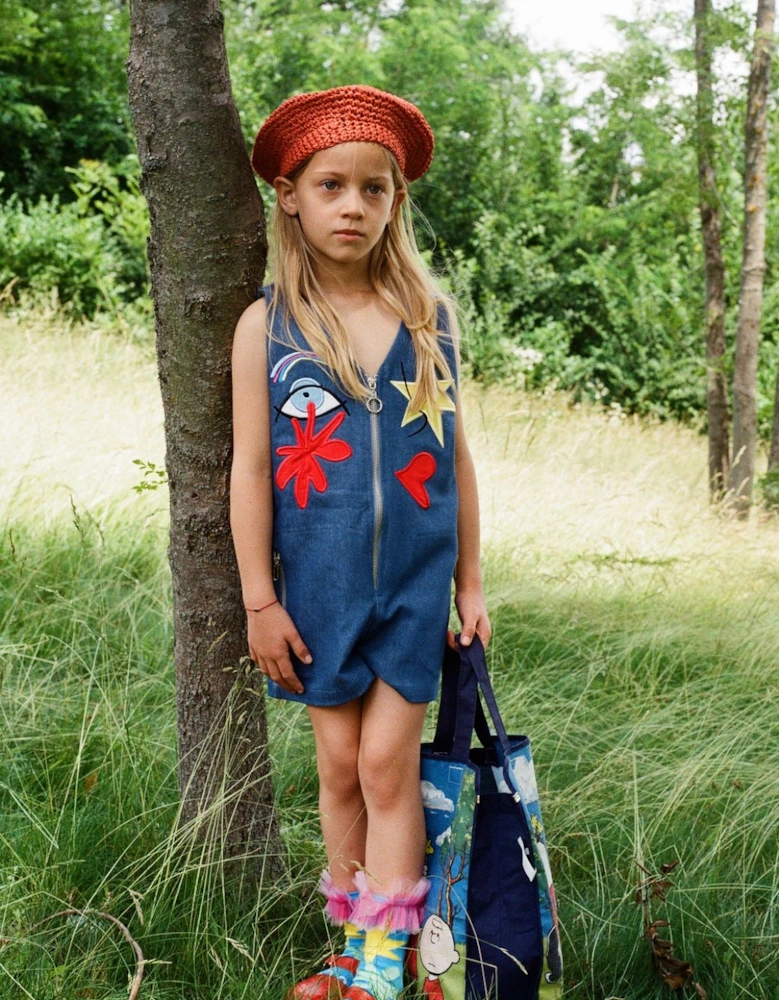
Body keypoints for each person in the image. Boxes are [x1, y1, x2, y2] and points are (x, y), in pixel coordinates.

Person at [230, 85, 491, 1000]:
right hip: (319, 590)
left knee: (387, 764)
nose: (353, 205)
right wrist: (260, 601)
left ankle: (389, 963)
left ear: (395, 203)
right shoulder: (268, 327)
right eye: (332, 185)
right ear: (291, 198)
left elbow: (456, 463)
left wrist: (471, 585)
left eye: (374, 189)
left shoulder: (428, 320)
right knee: (337, 769)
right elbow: (250, 469)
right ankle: (349, 947)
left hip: (416, 590)